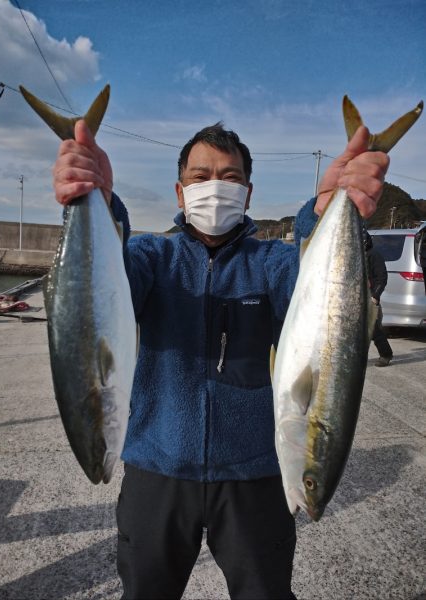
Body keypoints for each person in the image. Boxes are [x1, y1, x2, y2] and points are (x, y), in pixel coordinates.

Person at [53, 119, 388, 600]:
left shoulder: (273, 263)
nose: (215, 187)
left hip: (256, 474)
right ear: (179, 189)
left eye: (230, 178)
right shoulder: (151, 256)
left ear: (249, 194)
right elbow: (104, 289)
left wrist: (325, 213)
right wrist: (100, 205)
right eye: (199, 176)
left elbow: (321, 297)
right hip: (157, 469)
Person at [363, 229, 394, 367]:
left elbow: (382, 278)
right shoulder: (354, 256)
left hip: (370, 296)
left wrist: (375, 296)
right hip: (356, 297)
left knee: (374, 329)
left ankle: (386, 354)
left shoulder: (374, 255)